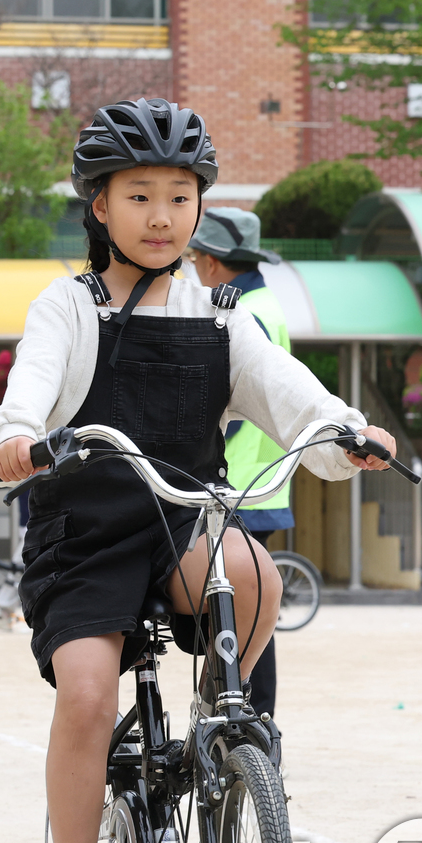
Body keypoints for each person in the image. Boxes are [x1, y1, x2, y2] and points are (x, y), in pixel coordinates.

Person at [0, 98, 397, 843]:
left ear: (201, 204)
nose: (161, 215)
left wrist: (348, 431)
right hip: (85, 535)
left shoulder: (221, 314)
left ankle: (224, 733)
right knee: (89, 694)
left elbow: (293, 395)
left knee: (254, 571)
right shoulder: (67, 306)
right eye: (138, 196)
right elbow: (23, 399)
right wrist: (17, 442)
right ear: (99, 206)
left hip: (179, 524)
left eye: (179, 194)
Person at [190, 207, 291, 722]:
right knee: (249, 609)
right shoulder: (265, 302)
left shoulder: (243, 312)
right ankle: (250, 719)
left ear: (212, 262)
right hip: (266, 482)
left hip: (238, 484)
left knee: (241, 610)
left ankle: (251, 718)